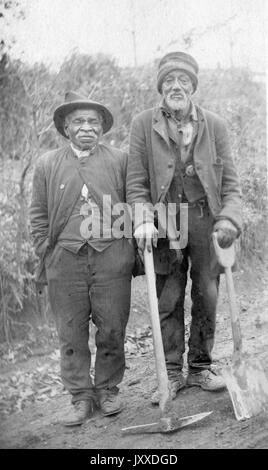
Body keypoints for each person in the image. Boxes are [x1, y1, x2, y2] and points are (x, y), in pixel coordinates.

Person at [126, 51, 242, 405]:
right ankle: (172, 372)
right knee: (169, 295)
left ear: (193, 86)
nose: (177, 87)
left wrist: (228, 219)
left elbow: (231, 186)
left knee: (207, 294)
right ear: (161, 87)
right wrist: (143, 216)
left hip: (206, 219)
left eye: (184, 81)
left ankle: (201, 366)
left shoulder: (215, 125)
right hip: (166, 221)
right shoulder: (143, 123)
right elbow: (136, 181)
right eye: (170, 81)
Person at [29, 91, 135, 425]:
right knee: (71, 332)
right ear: (65, 127)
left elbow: (134, 202)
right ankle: (80, 396)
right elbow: (38, 216)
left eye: (93, 121)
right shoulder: (47, 164)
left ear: (102, 126)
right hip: (64, 261)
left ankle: (107, 390)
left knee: (112, 326)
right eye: (78, 121)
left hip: (111, 257)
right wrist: (46, 250)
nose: (86, 127)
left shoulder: (120, 160)